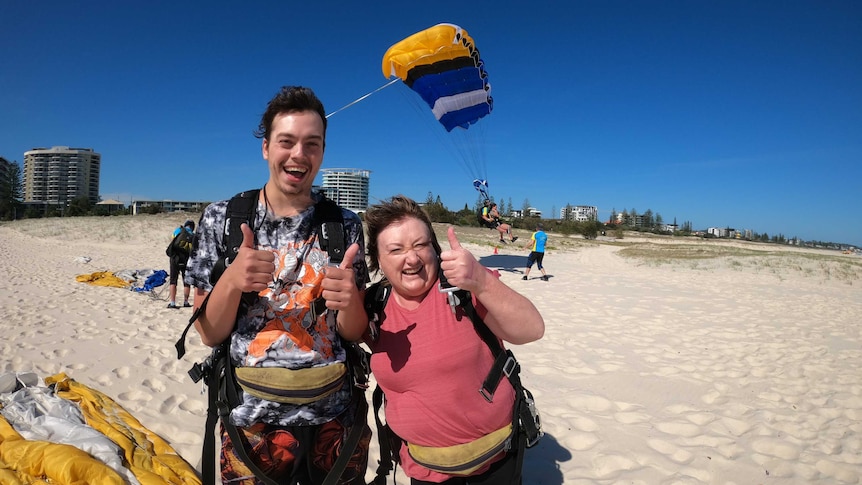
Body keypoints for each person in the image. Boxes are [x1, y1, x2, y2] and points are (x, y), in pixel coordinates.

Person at [184, 86, 371, 484]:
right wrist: (232, 279)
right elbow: (208, 333)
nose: (299, 155)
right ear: (266, 148)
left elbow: (354, 332)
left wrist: (351, 299)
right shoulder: (223, 219)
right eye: (286, 142)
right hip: (250, 420)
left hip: (335, 415)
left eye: (312, 144)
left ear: (322, 152)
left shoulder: (345, 225)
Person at [363, 195, 544, 484]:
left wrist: (482, 282)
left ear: (435, 250)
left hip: (494, 462)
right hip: (422, 467)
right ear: (378, 260)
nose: (412, 258)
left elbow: (532, 329)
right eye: (396, 249)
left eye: (420, 245)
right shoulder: (374, 304)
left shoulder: (465, 286)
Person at [167, 220, 195, 308]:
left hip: (175, 258)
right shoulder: (193, 236)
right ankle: (186, 302)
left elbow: (172, 241)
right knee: (186, 282)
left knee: (173, 281)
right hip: (186, 260)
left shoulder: (178, 230)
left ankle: (172, 303)